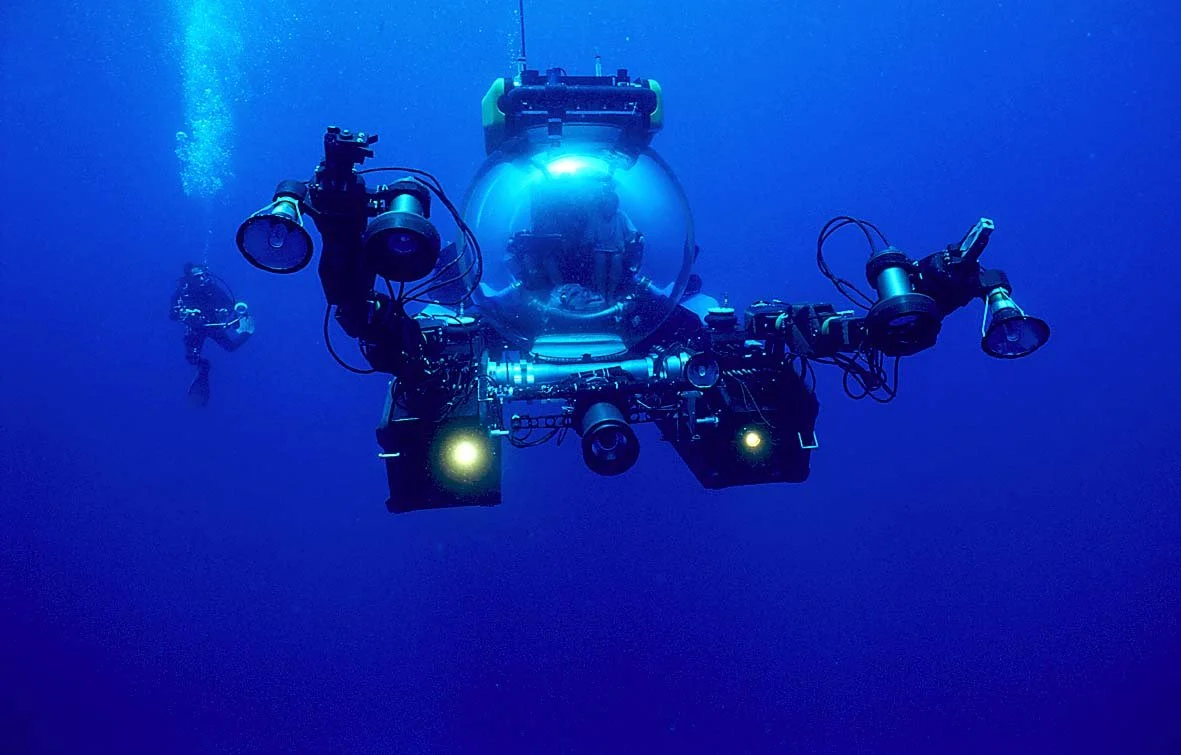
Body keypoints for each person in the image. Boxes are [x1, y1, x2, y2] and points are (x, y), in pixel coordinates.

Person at [169, 262, 255, 406]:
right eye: (198, 277)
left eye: (204, 276)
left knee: (230, 347)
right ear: (190, 278)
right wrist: (184, 313)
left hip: (213, 324)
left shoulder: (212, 288)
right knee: (192, 358)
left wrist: (224, 312)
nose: (202, 279)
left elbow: (229, 305)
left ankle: (247, 332)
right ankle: (204, 367)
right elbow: (172, 314)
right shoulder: (183, 292)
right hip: (195, 328)